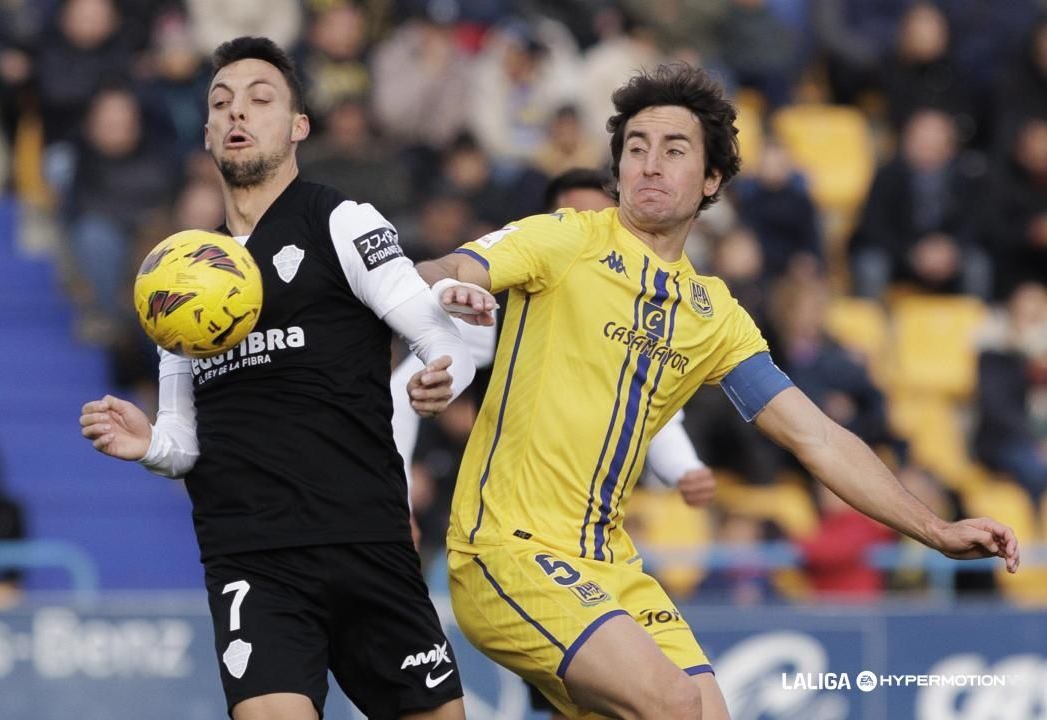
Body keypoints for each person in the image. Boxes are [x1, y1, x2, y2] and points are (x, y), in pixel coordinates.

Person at [417, 64, 1021, 720]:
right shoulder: (563, 238)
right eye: (635, 148)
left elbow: (815, 436)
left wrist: (935, 528)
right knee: (674, 704)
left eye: (673, 150)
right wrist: (448, 291)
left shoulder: (714, 315)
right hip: (509, 546)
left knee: (708, 711)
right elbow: (448, 266)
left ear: (711, 181)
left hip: (610, 563)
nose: (649, 163)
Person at [79, 36, 471, 720]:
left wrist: (440, 376)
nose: (239, 113)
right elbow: (181, 442)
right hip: (251, 556)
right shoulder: (180, 273)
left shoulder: (343, 223)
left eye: (261, 100)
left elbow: (434, 332)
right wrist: (148, 447)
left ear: (297, 128)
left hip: (365, 539)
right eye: (222, 103)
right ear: (206, 133)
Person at [391, 167, 716, 720]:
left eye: (602, 216)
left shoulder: (632, 315)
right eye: (577, 216)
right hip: (486, 517)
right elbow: (426, 372)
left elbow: (649, 405)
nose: (596, 231)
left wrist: (682, 465)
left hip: (587, 539)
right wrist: (396, 496)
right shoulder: (518, 288)